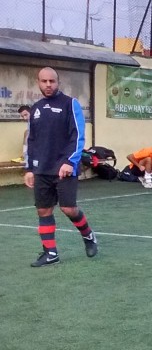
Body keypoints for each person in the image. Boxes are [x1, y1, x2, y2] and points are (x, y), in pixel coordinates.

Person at [23, 67, 98, 267]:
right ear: (38, 83)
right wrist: (29, 168)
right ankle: (50, 253)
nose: (48, 85)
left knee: (68, 208)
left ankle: (88, 236)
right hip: (41, 169)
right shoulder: (36, 108)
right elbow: (31, 141)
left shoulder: (70, 104)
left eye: (52, 81)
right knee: (43, 211)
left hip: (64, 167)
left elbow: (77, 135)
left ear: (58, 82)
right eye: (44, 81)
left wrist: (69, 161)